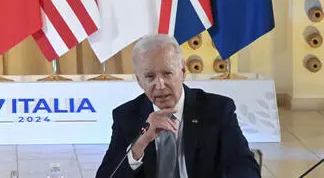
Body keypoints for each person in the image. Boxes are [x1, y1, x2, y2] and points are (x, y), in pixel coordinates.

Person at [95, 34, 260, 178]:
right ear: (139, 81)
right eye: (150, 77)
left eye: (167, 73)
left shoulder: (217, 109)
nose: (160, 85)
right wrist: (140, 142)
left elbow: (243, 166)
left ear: (182, 71)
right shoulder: (126, 116)